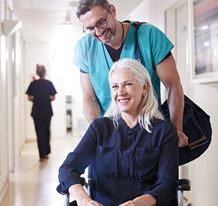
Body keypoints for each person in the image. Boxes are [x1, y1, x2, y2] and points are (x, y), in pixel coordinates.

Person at [57, 59, 178, 206]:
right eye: (115, 86)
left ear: (144, 87)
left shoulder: (164, 132)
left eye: (127, 84)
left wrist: (141, 203)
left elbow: (167, 184)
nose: (120, 92)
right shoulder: (100, 128)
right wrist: (82, 198)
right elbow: (67, 168)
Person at [74, 0, 188, 147]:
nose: (98, 32)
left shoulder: (149, 35)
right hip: (110, 134)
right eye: (90, 28)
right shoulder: (85, 48)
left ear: (112, 11)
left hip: (149, 130)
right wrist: (101, 134)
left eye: (101, 22)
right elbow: (89, 97)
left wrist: (176, 130)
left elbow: (173, 86)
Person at [26, 64, 57, 161]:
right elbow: (53, 97)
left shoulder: (33, 84)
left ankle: (42, 155)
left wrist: (36, 99)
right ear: (45, 72)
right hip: (47, 111)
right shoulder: (49, 83)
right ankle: (46, 152)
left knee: (39, 133)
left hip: (36, 112)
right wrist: (46, 99)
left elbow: (29, 97)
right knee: (46, 131)